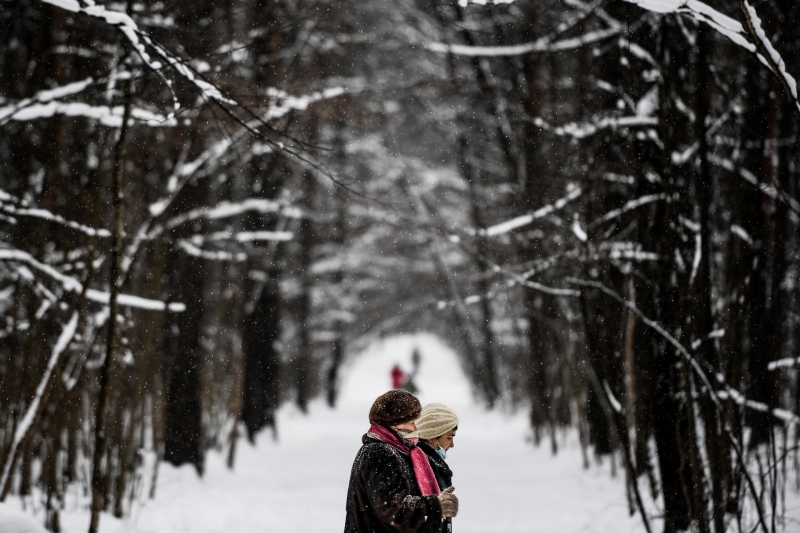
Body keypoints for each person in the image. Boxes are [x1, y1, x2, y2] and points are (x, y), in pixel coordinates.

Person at [344, 390, 459, 533]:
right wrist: (435, 506)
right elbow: (390, 510)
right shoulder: (379, 453)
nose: (416, 428)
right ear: (395, 424)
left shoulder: (396, 451)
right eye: (411, 422)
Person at [416, 404, 459, 533]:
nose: (452, 445)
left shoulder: (431, 463)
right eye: (449, 437)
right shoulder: (423, 468)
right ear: (431, 437)